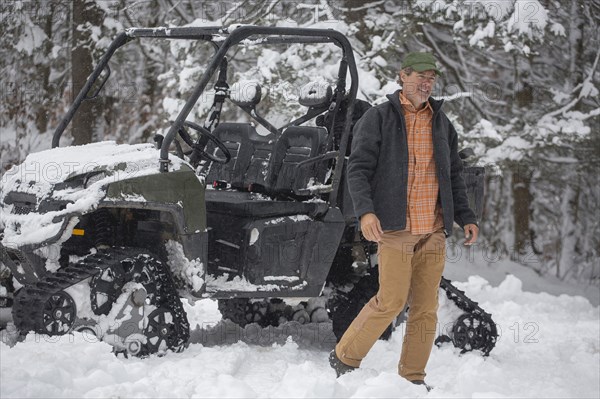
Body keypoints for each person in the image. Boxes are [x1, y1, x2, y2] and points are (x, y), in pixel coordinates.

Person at [329, 52, 479, 389]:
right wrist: (366, 211)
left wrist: (466, 216)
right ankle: (344, 356)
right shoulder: (379, 118)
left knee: (425, 309)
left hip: (433, 230)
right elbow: (358, 169)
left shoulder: (442, 123)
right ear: (403, 76)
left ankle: (412, 378)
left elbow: (453, 174)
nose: (426, 83)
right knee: (391, 300)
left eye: (432, 78)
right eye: (420, 76)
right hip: (396, 228)